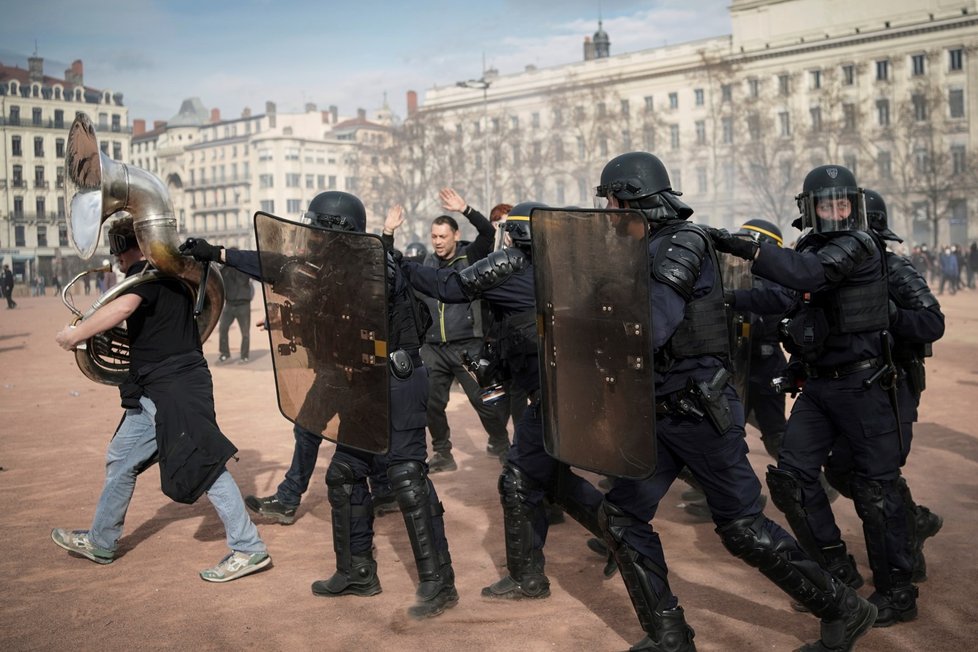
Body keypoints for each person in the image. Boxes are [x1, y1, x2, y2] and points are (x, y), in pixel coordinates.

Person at [598, 153, 876, 651]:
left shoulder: (679, 244)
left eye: (613, 202)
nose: (610, 211)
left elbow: (654, 326)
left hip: (698, 410)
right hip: (658, 407)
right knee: (621, 517)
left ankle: (843, 607)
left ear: (630, 198)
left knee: (742, 528)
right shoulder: (644, 247)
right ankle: (668, 636)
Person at [180, 191, 458, 619]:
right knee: (345, 475)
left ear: (337, 231)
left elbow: (357, 291)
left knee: (406, 476)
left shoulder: (374, 265)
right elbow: (279, 267)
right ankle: (358, 572)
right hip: (358, 383)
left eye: (316, 228)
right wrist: (219, 254)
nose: (308, 236)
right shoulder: (329, 265)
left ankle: (440, 582)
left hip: (396, 384)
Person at [710, 164, 917, 630]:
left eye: (842, 202)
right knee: (793, 479)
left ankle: (898, 591)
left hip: (864, 385)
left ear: (854, 205)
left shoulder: (859, 243)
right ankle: (835, 571)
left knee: (875, 491)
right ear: (811, 208)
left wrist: (746, 246)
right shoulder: (806, 247)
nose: (835, 210)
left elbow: (809, 275)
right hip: (820, 384)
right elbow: (781, 297)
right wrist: (722, 294)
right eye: (826, 203)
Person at [399, 200, 607, 601]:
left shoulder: (511, 264)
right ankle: (619, 540)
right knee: (553, 480)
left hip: (550, 393)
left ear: (517, 235)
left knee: (517, 479)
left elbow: (451, 287)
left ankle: (529, 576)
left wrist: (401, 265)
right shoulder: (562, 267)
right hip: (563, 387)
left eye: (508, 230)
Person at [51, 216, 270, 583]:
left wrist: (76, 335)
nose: (116, 258)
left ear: (132, 247)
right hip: (153, 391)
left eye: (118, 249)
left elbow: (122, 308)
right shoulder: (172, 276)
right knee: (121, 459)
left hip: (176, 388)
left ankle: (249, 548)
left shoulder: (149, 276)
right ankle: (101, 541)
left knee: (204, 464)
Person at [818, 190, 945, 586]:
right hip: (851, 387)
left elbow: (932, 323)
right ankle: (914, 520)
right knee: (840, 470)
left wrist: (888, 313)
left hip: (895, 384)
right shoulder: (836, 272)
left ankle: (902, 558)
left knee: (879, 477)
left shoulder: (895, 269)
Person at [381, 187, 511, 471]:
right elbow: (388, 263)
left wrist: (466, 210)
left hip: (467, 346)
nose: (438, 242)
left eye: (443, 236)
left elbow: (489, 236)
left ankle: (503, 448)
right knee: (431, 405)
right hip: (433, 348)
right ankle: (442, 453)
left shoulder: (471, 256)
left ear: (454, 236)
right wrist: (388, 231)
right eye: (434, 237)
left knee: (485, 400)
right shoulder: (424, 263)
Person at [217, 250, 253, 364]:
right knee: (223, 328)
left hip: (243, 305)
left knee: (245, 332)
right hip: (229, 304)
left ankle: (244, 356)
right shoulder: (224, 270)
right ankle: (225, 353)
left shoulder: (245, 268)